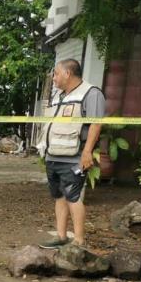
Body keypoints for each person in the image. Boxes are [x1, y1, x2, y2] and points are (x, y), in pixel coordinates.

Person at [38, 59, 105, 249]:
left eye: (56, 74)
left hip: (73, 157)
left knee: (73, 197)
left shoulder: (91, 93)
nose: (54, 78)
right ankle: (60, 236)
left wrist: (87, 152)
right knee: (59, 196)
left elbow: (95, 124)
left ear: (68, 73)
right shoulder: (60, 95)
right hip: (53, 155)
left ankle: (79, 240)